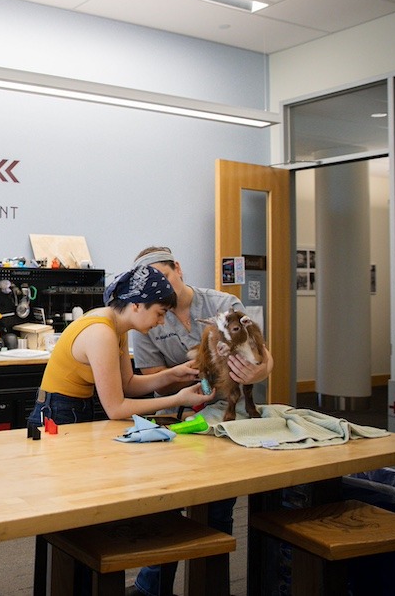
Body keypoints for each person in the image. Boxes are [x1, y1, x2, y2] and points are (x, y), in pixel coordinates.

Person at [128, 245, 273, 596]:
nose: (160, 288)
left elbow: (266, 360)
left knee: (218, 508)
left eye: (164, 276)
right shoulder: (147, 321)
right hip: (183, 418)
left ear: (178, 268)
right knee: (169, 505)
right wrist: (193, 377)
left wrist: (253, 374)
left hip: (231, 416)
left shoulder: (224, 305)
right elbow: (153, 375)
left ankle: (211, 587)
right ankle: (151, 588)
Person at [27, 264, 214, 428]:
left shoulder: (116, 326)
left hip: (73, 408)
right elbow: (116, 409)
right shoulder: (102, 333)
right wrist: (178, 399)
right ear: (136, 305)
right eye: (160, 313)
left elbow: (128, 384)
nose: (162, 322)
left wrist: (172, 374)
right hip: (57, 412)